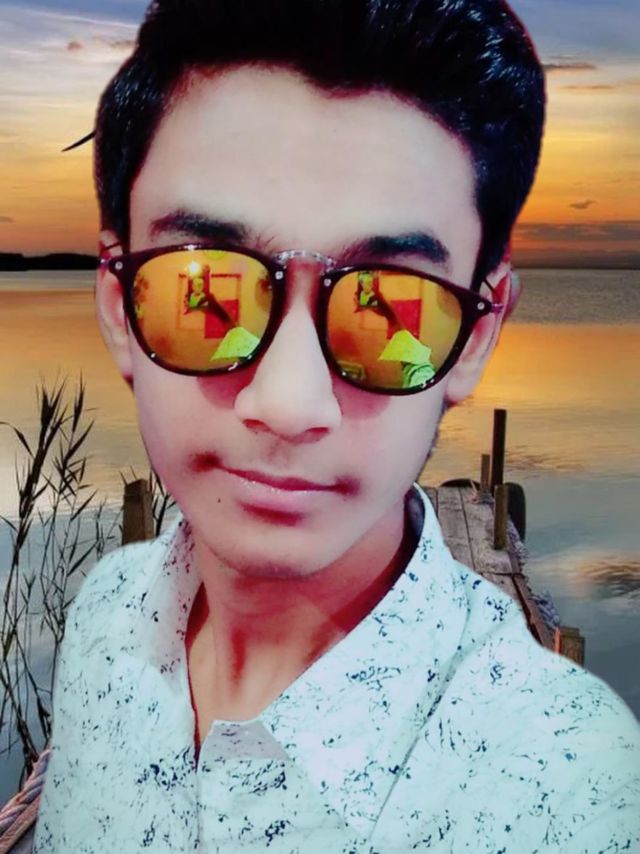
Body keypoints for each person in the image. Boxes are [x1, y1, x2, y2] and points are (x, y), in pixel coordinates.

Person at [34, 0, 639, 851]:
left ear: (478, 337)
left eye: (392, 308)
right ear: (117, 305)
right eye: (201, 294)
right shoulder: (106, 618)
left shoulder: (568, 788)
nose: (289, 403)